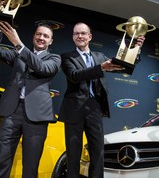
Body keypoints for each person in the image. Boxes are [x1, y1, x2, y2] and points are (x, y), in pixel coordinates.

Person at [58, 22, 145, 178]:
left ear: (89, 37)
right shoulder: (66, 57)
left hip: (94, 107)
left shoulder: (99, 56)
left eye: (83, 33)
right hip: (74, 109)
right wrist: (101, 68)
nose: (80, 36)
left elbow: (123, 66)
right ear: (72, 37)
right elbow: (75, 75)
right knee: (73, 153)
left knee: (98, 152)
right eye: (76, 33)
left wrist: (135, 49)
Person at [0, 3, 61, 178]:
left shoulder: (55, 58)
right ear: (34, 36)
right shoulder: (17, 53)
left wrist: (18, 43)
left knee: (30, 166)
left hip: (36, 117)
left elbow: (41, 67)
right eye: (39, 34)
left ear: (51, 41)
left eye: (46, 36)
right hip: (11, 111)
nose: (41, 37)